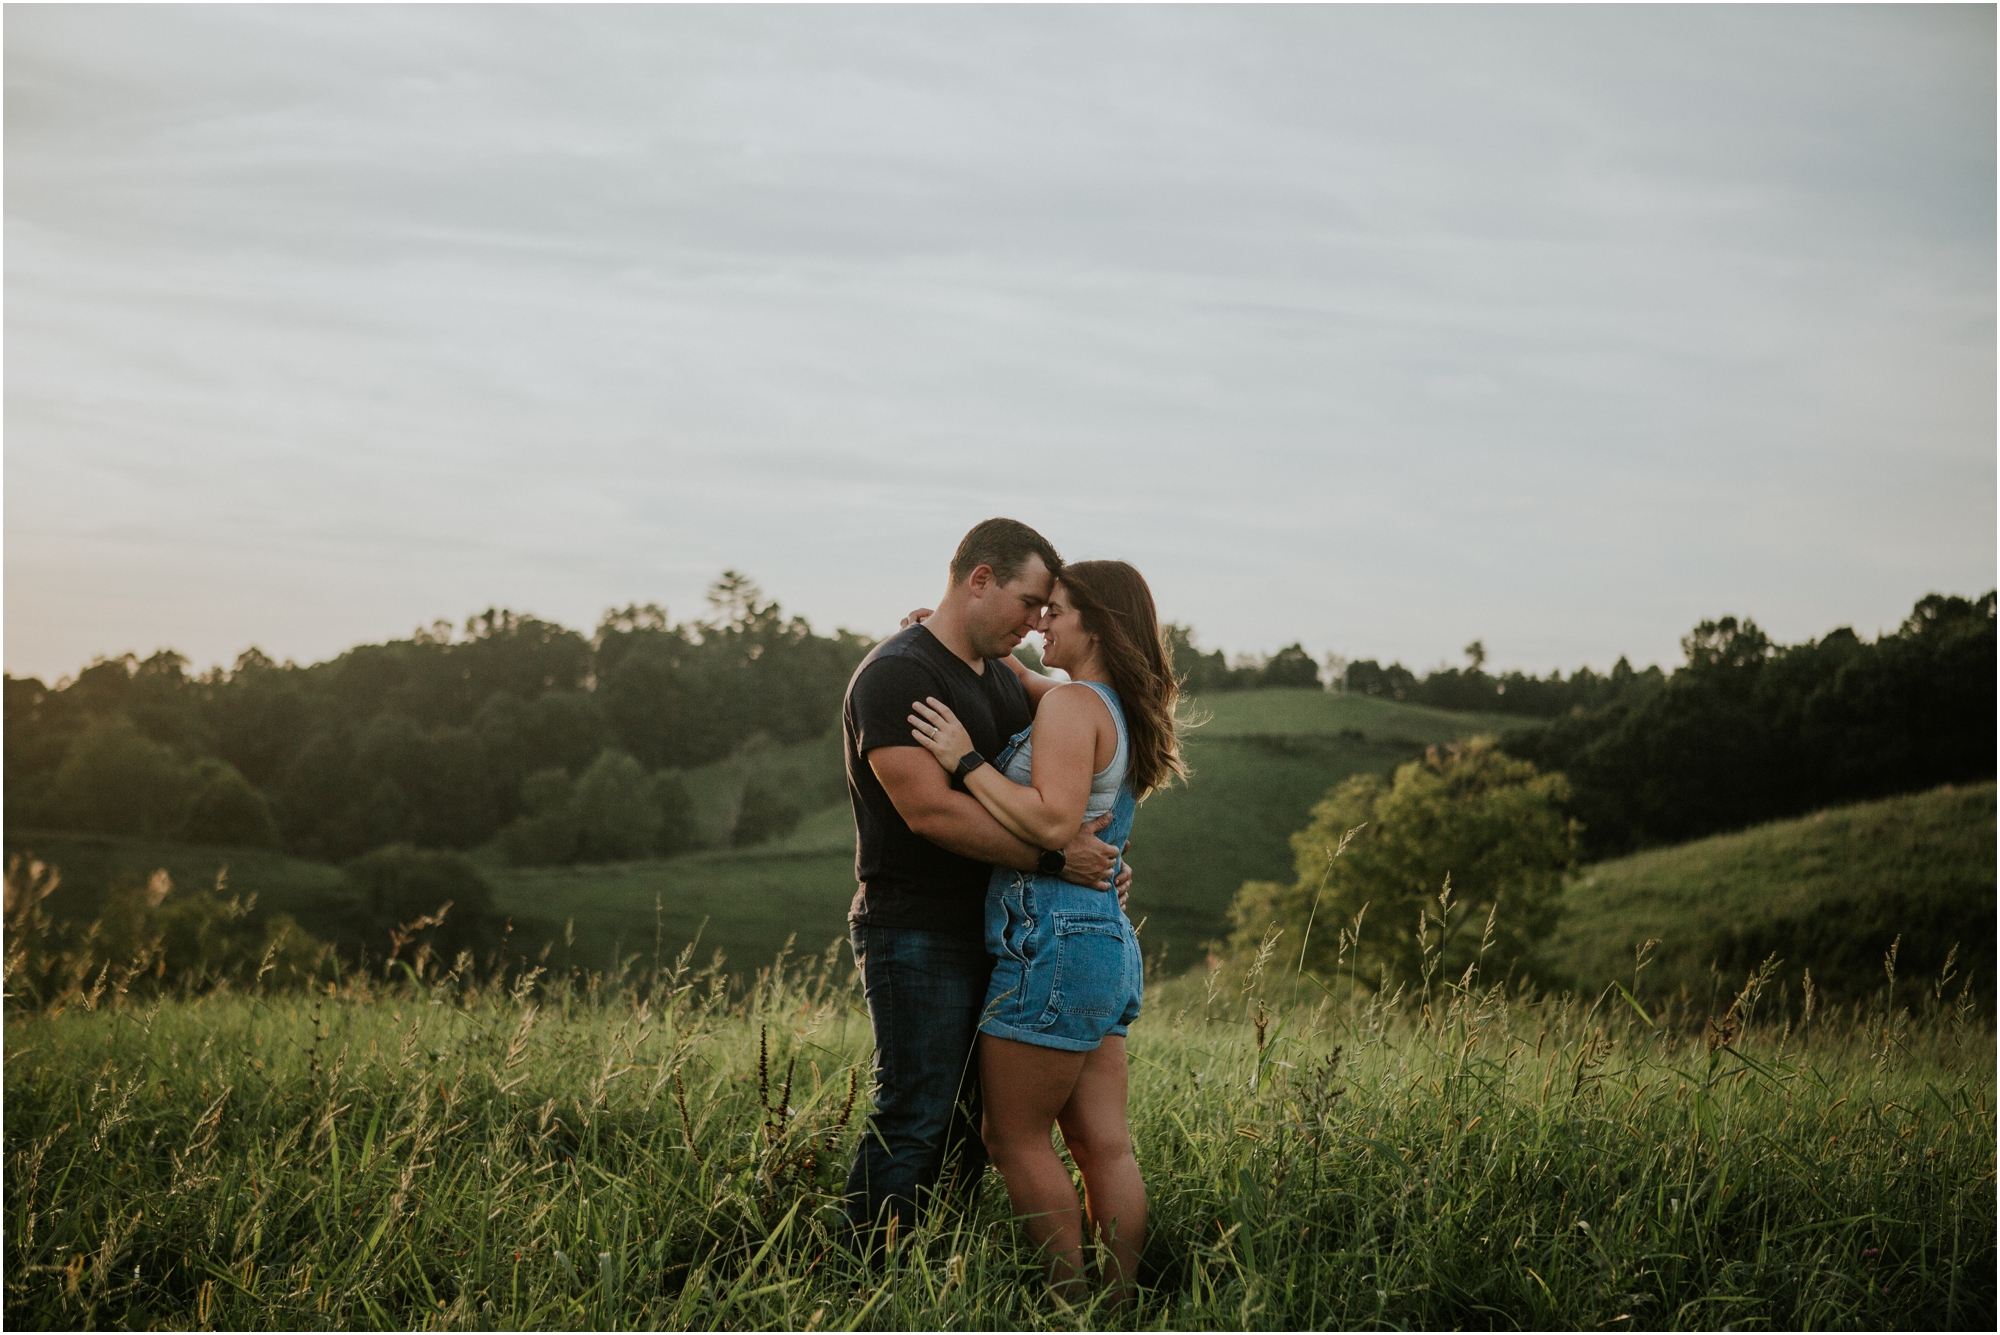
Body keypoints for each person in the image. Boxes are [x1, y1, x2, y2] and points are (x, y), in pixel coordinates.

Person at [840, 518, 1132, 1247]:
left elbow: (1075, 757)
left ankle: (943, 1263)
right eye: (1030, 602)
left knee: (976, 1125)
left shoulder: (1001, 677)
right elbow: (930, 811)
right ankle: (860, 1280)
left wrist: (1105, 854)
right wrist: (1060, 861)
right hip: (916, 927)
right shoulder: (898, 675)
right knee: (915, 1113)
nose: (1037, 622)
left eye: (1049, 610)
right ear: (979, 579)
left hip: (1004, 934)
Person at [908, 558, 1184, 1306]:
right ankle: (1118, 1304)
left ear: (1096, 622)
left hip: (1050, 938)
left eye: (1056, 610)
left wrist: (963, 759)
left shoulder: (1071, 710)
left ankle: (1069, 1306)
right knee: (1104, 1144)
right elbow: (1034, 688)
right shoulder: (1111, 704)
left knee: (1014, 1137)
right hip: (1103, 940)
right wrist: (937, 641)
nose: (1041, 622)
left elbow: (1056, 825)